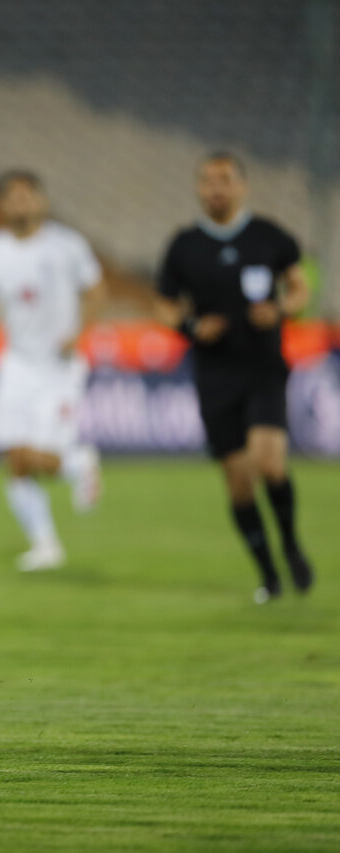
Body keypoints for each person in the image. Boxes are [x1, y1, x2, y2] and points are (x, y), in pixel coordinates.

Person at [154, 152, 314, 603]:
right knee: (238, 479)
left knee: (269, 464)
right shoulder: (184, 245)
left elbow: (300, 287)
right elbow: (163, 304)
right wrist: (190, 327)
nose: (215, 189)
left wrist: (281, 309)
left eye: (224, 180)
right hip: (214, 375)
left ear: (243, 186)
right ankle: (268, 574)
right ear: (198, 188)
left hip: (263, 367)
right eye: (207, 181)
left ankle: (291, 544)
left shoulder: (269, 236)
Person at [0, 171, 106, 572]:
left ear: (41, 201)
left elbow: (96, 291)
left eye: (28, 196)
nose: (21, 203)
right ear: (3, 203)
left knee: (43, 456)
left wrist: (78, 333)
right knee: (16, 459)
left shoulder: (66, 245)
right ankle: (45, 545)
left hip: (59, 367)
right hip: (17, 363)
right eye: (13, 197)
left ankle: (79, 463)